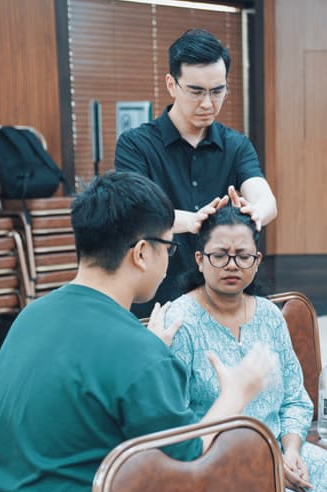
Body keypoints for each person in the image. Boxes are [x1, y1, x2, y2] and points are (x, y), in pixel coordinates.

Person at [0, 172, 273, 492]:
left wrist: (146, 352)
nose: (167, 261)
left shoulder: (31, 316)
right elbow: (187, 467)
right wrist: (236, 392)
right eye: (168, 248)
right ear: (142, 253)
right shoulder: (139, 353)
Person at [165, 206, 327, 492]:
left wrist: (291, 452)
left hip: (281, 446)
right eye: (220, 255)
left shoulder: (269, 316)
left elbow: (294, 396)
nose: (232, 265)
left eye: (243, 256)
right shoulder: (181, 319)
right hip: (216, 463)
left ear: (257, 261)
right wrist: (265, 465)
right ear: (200, 260)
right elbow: (177, 415)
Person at [115, 28, 277, 312]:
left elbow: (266, 200)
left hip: (221, 300)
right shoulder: (135, 144)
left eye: (217, 91)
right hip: (156, 299)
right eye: (196, 91)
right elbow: (135, 213)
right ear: (171, 84)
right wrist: (192, 221)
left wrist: (256, 212)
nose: (207, 103)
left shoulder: (235, 144)